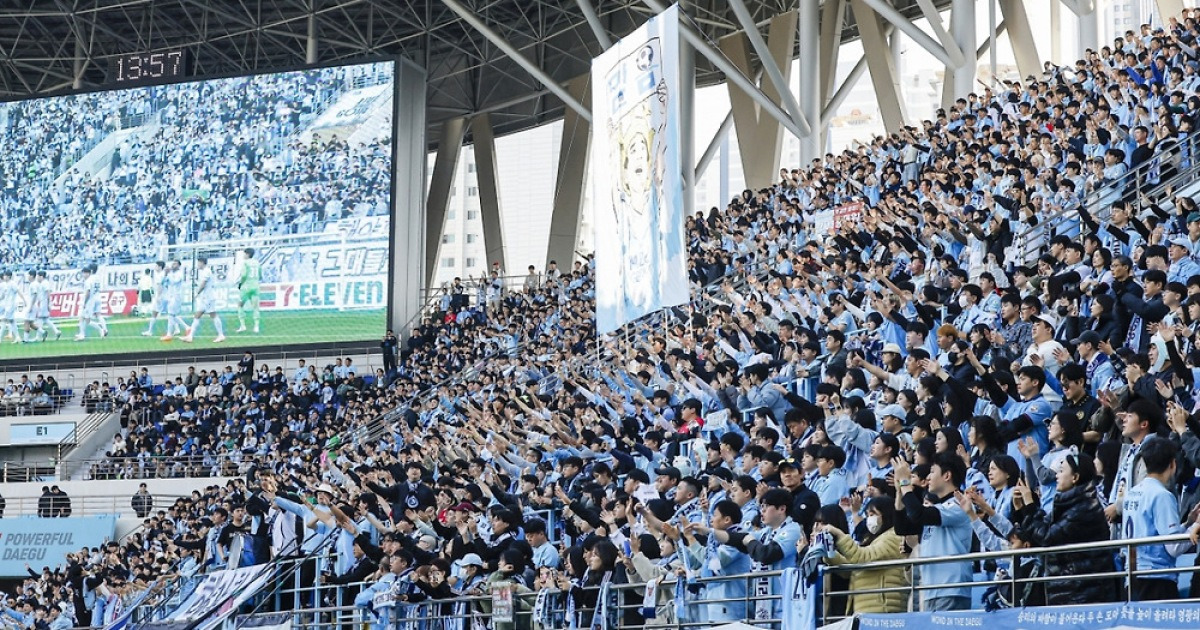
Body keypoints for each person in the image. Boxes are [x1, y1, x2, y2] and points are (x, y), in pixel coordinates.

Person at [1020, 450, 1118, 605]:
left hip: (1083, 593)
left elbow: (1048, 537)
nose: (1056, 476)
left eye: (1061, 471)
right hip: (1070, 590)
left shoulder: (1084, 507)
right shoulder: (1069, 503)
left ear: (1075, 477)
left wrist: (1030, 505)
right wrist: (1024, 509)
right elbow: (1036, 535)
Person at [1121, 437, 1200, 601]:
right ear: (1173, 464)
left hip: (1132, 574)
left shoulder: (1132, 493)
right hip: (1156, 577)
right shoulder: (1162, 495)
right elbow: (1173, 547)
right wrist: (1196, 527)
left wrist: (1188, 523)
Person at [894, 452, 972, 611]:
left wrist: (905, 483)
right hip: (930, 590)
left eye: (932, 472)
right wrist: (899, 491)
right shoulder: (937, 509)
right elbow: (902, 528)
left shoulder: (959, 504)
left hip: (952, 588)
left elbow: (918, 514)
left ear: (947, 475)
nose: (928, 477)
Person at [822, 497, 908, 614]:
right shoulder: (872, 538)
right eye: (867, 515)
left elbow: (863, 558)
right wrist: (829, 552)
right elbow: (851, 569)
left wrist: (839, 535)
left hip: (884, 609)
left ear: (887, 514)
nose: (869, 519)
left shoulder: (894, 536)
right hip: (866, 609)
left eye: (873, 514)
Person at [180, 257, 226, 343]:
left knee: (213, 314)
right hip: (204, 297)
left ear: (202, 263)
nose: (197, 265)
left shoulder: (207, 271)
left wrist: (197, 293)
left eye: (198, 263)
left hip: (208, 297)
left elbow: (203, 284)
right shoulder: (204, 272)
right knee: (197, 315)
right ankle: (190, 336)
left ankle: (221, 335)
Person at [74, 265, 108, 341]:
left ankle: (99, 330)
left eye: (83, 273)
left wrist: (85, 302)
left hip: (90, 301)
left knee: (86, 319)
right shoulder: (97, 278)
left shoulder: (89, 280)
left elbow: (88, 292)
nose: (83, 275)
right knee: (83, 318)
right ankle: (82, 334)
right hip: (97, 297)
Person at [236, 247, 262, 334]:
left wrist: (240, 283)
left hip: (246, 287)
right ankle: (256, 326)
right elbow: (260, 275)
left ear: (247, 254)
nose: (243, 255)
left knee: (240, 305)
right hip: (255, 286)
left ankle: (243, 325)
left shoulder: (245, 263)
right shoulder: (257, 263)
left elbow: (243, 275)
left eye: (244, 253)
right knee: (255, 307)